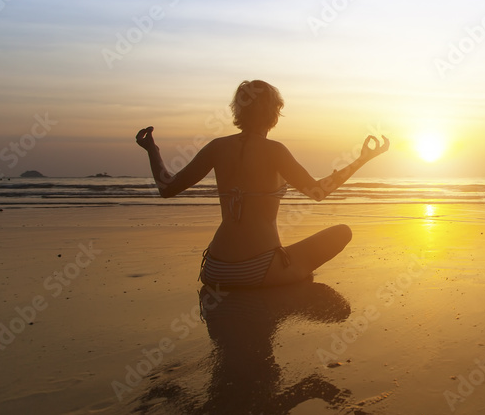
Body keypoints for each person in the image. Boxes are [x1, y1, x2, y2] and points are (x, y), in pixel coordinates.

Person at [135, 80, 389, 287]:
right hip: (259, 270)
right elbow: (318, 192)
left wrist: (152, 149)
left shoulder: (217, 147)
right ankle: (289, 277)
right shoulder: (275, 151)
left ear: (239, 110)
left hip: (214, 271)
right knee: (342, 232)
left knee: (289, 255)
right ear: (273, 113)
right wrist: (361, 160)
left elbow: (167, 188)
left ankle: (288, 272)